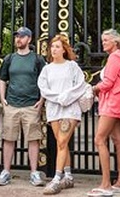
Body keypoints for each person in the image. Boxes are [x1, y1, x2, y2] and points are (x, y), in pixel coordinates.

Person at [0, 27, 47, 187]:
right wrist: (3, 98)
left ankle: (34, 173)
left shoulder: (38, 59)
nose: (19, 39)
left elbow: (45, 81)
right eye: (17, 36)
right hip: (12, 104)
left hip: (31, 104)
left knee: (33, 139)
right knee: (8, 138)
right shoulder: (9, 59)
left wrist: (42, 100)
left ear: (29, 39)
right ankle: (6, 172)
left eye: (22, 36)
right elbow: (2, 79)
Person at [37, 34, 86, 195]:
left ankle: (57, 179)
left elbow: (80, 85)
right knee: (61, 143)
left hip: (70, 108)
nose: (54, 49)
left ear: (64, 49)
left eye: (57, 46)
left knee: (63, 142)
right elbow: (43, 88)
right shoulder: (47, 69)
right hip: (54, 108)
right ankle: (69, 176)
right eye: (52, 46)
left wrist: (67, 97)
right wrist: (57, 97)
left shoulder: (72, 66)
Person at [88, 29, 120, 197]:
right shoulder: (119, 56)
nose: (103, 42)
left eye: (106, 40)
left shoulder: (114, 57)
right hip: (118, 101)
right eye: (102, 40)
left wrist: (94, 88)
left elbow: (108, 82)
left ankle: (106, 184)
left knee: (99, 139)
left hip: (112, 102)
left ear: (114, 42)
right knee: (118, 140)